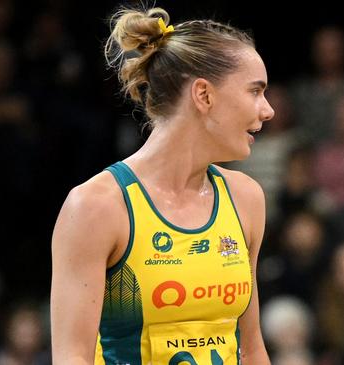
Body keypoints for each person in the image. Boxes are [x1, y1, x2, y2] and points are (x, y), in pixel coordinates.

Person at [50, 6, 274, 365]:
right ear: (203, 95)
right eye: (255, 92)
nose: (268, 110)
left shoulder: (245, 198)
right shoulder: (97, 206)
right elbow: (71, 357)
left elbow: (251, 349)